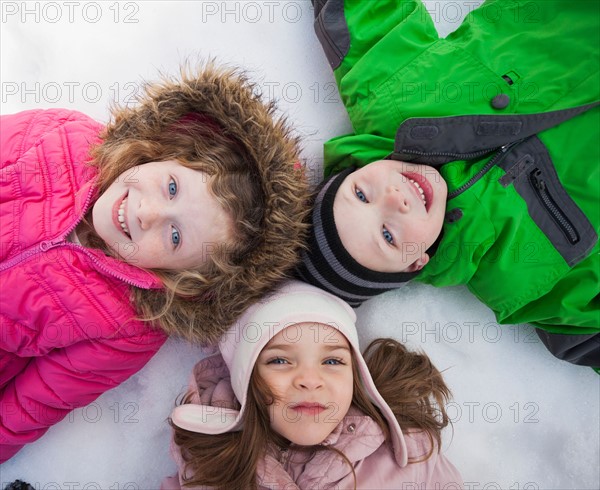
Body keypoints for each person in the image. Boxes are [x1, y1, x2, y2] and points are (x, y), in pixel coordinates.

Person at [0, 63, 310, 462]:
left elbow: (33, 404)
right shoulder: (61, 138)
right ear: (167, 151)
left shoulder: (128, 328)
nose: (148, 213)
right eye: (171, 187)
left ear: (185, 277)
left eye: (175, 236)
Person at [296, 0, 600, 367]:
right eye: (388, 236)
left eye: (361, 194)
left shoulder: (391, 96)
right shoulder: (514, 276)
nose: (394, 199)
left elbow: (366, 18)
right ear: (414, 264)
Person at [162, 280, 462, 489]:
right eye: (280, 361)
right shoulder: (210, 471)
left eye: (332, 362)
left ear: (357, 378)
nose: (309, 380)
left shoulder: (409, 455)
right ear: (246, 381)